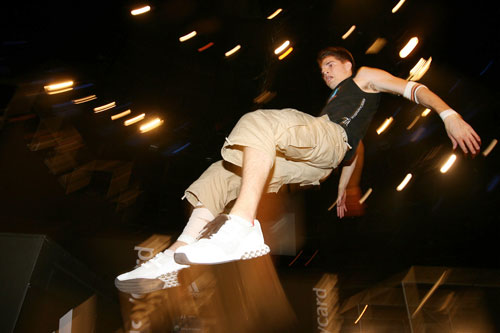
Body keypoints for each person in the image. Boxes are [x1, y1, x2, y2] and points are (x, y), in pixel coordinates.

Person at [115, 47, 481, 294]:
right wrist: (345, 188)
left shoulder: (366, 76)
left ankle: (240, 228)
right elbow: (357, 149)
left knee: (258, 123)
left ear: (348, 66)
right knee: (222, 173)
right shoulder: (337, 105)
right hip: (315, 161)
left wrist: (449, 114)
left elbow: (412, 89)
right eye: (322, 70)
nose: (326, 73)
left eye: (331, 66)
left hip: (328, 143)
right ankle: (172, 259)